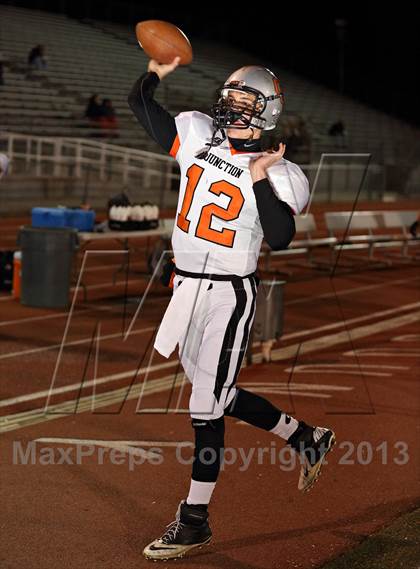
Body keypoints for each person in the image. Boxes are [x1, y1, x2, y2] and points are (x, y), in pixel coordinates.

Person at [128, 57, 336, 561]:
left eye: (246, 100)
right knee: (214, 391)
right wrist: (157, 69)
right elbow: (140, 103)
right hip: (184, 288)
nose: (232, 104)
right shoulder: (197, 136)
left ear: (266, 113)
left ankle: (194, 520)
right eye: (231, 95)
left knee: (205, 403)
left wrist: (261, 176)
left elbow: (282, 237)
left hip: (227, 293)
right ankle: (305, 436)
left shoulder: (282, 172)